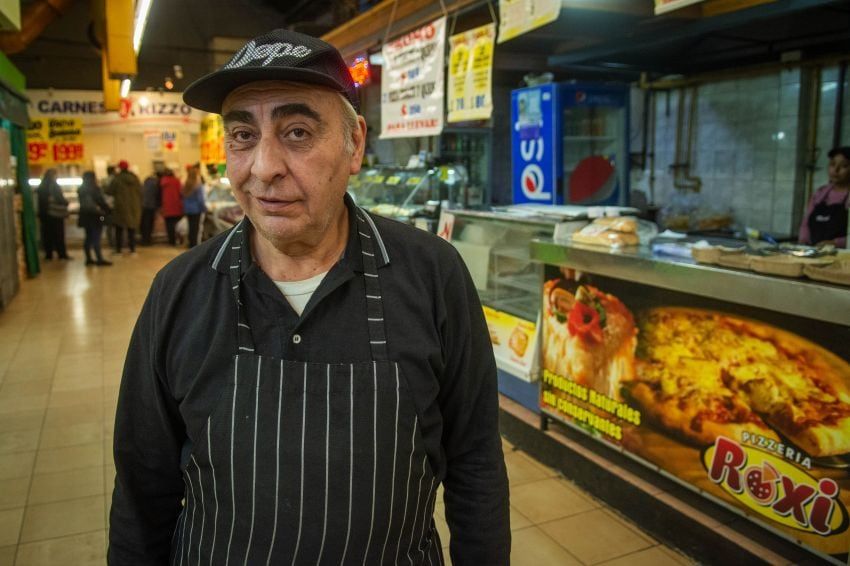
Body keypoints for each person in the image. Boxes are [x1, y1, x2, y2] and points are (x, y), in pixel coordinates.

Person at [109, 29, 510, 565]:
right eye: (243, 136)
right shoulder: (180, 290)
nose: (263, 167)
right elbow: (143, 489)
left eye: (297, 132)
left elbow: (476, 462)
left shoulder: (433, 275)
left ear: (355, 145)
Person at [799, 146, 850, 248]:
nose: (836, 170)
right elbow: (805, 224)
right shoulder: (819, 194)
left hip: (840, 257)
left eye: (844, 166)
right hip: (813, 253)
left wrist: (835, 243)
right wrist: (803, 244)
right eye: (832, 164)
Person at [106, 160, 142, 255]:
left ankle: (118, 250)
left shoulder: (117, 179)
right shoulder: (135, 178)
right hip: (134, 207)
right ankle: (132, 249)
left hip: (120, 207)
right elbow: (141, 192)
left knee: (119, 229)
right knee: (132, 229)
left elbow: (109, 191)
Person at [77, 171, 112, 266]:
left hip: (85, 216)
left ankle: (88, 258)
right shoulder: (95, 188)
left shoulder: (81, 189)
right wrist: (106, 210)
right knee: (96, 237)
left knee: (88, 237)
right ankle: (99, 258)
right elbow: (101, 201)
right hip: (96, 216)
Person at [36, 168, 72, 261]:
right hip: (55, 214)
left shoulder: (41, 186)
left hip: (45, 215)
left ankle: (49, 254)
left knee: (47, 235)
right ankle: (61, 254)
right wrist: (66, 203)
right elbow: (60, 199)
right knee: (59, 235)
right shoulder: (54, 185)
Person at [181, 163, 206, 248]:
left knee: (191, 229)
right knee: (196, 230)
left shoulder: (186, 185)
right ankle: (195, 247)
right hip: (196, 210)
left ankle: (190, 245)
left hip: (188, 210)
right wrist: (204, 209)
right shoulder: (198, 186)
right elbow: (200, 200)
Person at [159, 168, 183, 245]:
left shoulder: (162, 182)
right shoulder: (177, 181)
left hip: (167, 207)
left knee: (169, 226)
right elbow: (181, 193)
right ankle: (178, 240)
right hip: (176, 206)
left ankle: (171, 241)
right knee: (178, 225)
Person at [140, 171, 161, 245]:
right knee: (149, 224)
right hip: (151, 205)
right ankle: (147, 240)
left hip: (143, 205)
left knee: (145, 223)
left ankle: (144, 239)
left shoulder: (146, 181)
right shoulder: (156, 184)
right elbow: (157, 195)